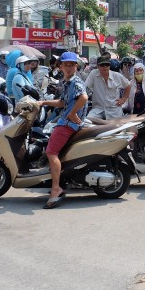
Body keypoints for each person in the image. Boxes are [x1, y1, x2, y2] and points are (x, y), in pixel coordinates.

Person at [38, 52, 88, 209]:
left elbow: (84, 97)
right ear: (60, 66)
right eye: (66, 64)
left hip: (68, 124)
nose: (69, 67)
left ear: (76, 66)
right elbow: (62, 102)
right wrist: (43, 102)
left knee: (51, 153)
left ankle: (56, 188)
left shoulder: (75, 82)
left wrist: (73, 113)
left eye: (71, 65)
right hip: (65, 120)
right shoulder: (66, 82)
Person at [85, 53, 130, 120]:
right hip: (98, 109)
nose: (105, 67)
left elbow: (128, 85)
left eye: (107, 65)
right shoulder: (93, 74)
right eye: (102, 65)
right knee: (87, 122)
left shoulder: (117, 76)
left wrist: (124, 99)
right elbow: (85, 87)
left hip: (114, 110)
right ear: (98, 66)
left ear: (109, 66)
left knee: (118, 128)